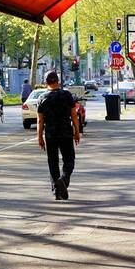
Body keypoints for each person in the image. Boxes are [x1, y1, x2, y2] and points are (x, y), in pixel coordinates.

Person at [36, 71, 80, 200]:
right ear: (58, 81)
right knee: (69, 160)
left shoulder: (42, 98)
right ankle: (64, 180)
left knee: (53, 162)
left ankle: (56, 189)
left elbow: (40, 120)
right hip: (66, 132)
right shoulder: (66, 95)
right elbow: (74, 115)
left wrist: (39, 137)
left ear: (45, 83)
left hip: (51, 134)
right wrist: (76, 131)